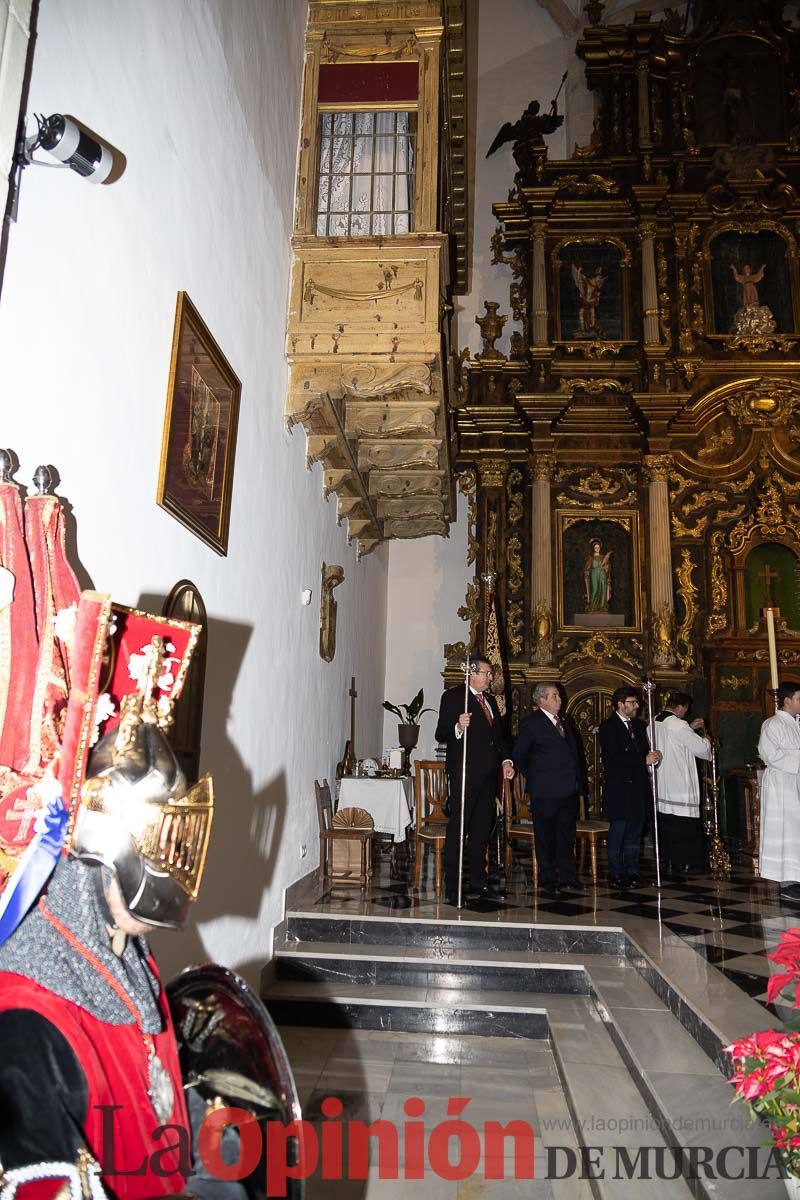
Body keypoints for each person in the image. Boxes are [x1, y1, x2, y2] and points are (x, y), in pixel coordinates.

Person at [0, 594, 216, 1199]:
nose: (177, 865)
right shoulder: (25, 1023)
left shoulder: (114, 948)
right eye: (162, 839)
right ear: (102, 846)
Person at [436, 657, 514, 904]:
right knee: (459, 829)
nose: (491, 678)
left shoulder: (489, 700)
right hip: (465, 773)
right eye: (487, 673)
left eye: (490, 674)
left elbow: (499, 738)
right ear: (472, 673)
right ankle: (453, 887)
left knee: (482, 830)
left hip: (489, 775)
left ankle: (479, 882)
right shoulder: (454, 697)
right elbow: (441, 733)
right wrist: (458, 726)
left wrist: (506, 761)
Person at [513, 682, 584, 895]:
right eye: (555, 696)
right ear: (542, 699)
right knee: (546, 836)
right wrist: (537, 776)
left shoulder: (564, 720)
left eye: (559, 696)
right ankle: (548, 878)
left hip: (568, 789)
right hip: (545, 790)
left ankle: (568, 877)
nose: (560, 699)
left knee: (566, 835)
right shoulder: (531, 723)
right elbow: (519, 755)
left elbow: (573, 753)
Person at [598, 687, 662, 888]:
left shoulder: (639, 725)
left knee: (635, 832)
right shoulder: (608, 727)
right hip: (619, 789)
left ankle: (633, 872)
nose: (637, 706)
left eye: (636, 702)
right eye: (632, 702)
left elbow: (643, 752)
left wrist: (652, 759)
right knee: (619, 832)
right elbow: (613, 758)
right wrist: (642, 760)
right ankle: (617, 873)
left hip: (638, 788)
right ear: (620, 704)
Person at [653, 691, 712, 875]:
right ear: (680, 707)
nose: (685, 714)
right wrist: (707, 741)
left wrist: (690, 728)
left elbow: (676, 740)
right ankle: (689, 863)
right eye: (685, 710)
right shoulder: (678, 724)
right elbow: (700, 748)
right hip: (680, 782)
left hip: (662, 781)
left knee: (668, 823)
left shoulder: (654, 720)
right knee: (684, 824)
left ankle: (670, 861)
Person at [758, 681, 800, 903]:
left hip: (795, 783)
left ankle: (797, 876)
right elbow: (769, 755)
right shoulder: (772, 724)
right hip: (782, 784)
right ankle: (787, 881)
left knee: (796, 831)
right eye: (799, 699)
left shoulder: (796, 723)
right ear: (787, 701)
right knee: (785, 830)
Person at [583, 540, 611, 613]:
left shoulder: (603, 557)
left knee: (602, 590)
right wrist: (587, 573)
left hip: (602, 576)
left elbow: (607, 567)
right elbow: (587, 568)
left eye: (598, 548)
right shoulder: (590, 558)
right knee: (594, 589)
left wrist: (605, 568)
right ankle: (592, 606)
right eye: (596, 548)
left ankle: (602, 606)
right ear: (593, 548)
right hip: (594, 575)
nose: (597, 549)